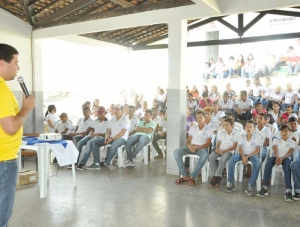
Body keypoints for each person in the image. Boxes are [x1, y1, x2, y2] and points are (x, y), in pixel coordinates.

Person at [0, 44, 35, 227]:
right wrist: (26, 109)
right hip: (4, 161)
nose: (18, 68)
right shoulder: (1, 89)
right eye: (16, 62)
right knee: (2, 214)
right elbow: (10, 127)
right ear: (2, 63)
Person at [257, 124, 295, 202]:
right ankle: (264, 187)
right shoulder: (276, 140)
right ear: (280, 132)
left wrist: (282, 158)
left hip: (286, 158)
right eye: (282, 131)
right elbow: (275, 149)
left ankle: (288, 190)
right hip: (276, 157)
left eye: (286, 131)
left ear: (289, 132)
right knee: (268, 164)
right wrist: (278, 157)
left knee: (287, 167)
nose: (284, 133)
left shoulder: (292, 141)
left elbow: (290, 152)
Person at [174, 111, 213, 186]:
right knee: (177, 152)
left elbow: (208, 143)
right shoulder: (193, 127)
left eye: (200, 117)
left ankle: (192, 176)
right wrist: (189, 146)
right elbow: (188, 141)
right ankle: (184, 175)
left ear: (204, 118)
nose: (199, 119)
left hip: (201, 148)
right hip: (191, 147)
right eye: (197, 118)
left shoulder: (208, 129)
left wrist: (198, 147)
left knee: (205, 155)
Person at [225, 120, 261, 195]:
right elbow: (240, 148)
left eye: (251, 127)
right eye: (247, 126)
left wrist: (247, 156)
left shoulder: (257, 137)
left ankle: (251, 185)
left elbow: (257, 150)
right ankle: (230, 183)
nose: (249, 128)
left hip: (252, 154)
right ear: (245, 127)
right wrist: (243, 156)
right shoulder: (241, 136)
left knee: (257, 163)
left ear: (254, 128)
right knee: (231, 160)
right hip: (242, 154)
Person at [208, 118, 238, 187]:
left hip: (229, 151)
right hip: (220, 150)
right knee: (211, 157)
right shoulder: (221, 132)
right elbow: (218, 143)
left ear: (232, 125)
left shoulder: (236, 133)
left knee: (223, 159)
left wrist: (224, 151)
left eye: (227, 125)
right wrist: (217, 149)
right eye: (224, 125)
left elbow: (234, 147)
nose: (225, 126)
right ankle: (218, 177)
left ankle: (215, 177)